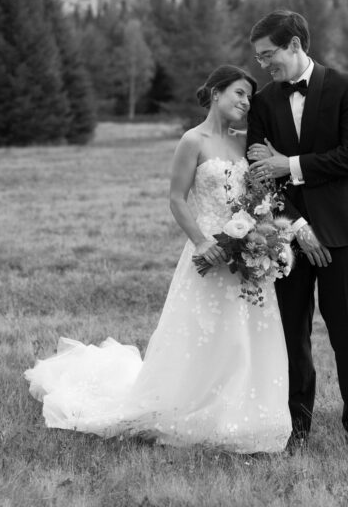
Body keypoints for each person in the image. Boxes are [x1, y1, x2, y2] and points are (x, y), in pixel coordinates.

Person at [24, 65, 291, 454]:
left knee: (247, 334)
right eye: (238, 93)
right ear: (216, 93)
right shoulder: (192, 140)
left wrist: (261, 238)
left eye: (249, 97)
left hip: (246, 254)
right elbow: (176, 198)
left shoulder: (245, 142)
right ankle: (191, 409)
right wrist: (201, 242)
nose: (245, 102)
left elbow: (258, 195)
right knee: (207, 331)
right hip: (209, 251)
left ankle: (244, 415)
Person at [246, 10, 348, 460]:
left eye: (269, 55)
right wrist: (298, 227)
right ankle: (293, 429)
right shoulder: (264, 104)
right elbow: (260, 176)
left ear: (295, 45)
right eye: (260, 58)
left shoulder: (344, 86)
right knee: (290, 334)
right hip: (286, 237)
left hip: (343, 230)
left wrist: (292, 164)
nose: (264, 65)